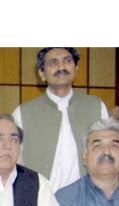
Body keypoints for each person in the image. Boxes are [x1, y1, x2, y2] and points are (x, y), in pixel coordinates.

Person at [14, 48, 109, 192]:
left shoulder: (96, 106)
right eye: (53, 62)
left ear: (76, 69)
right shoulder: (22, 113)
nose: (61, 67)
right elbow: (15, 162)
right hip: (41, 199)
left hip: (88, 198)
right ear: (41, 73)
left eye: (67, 61)